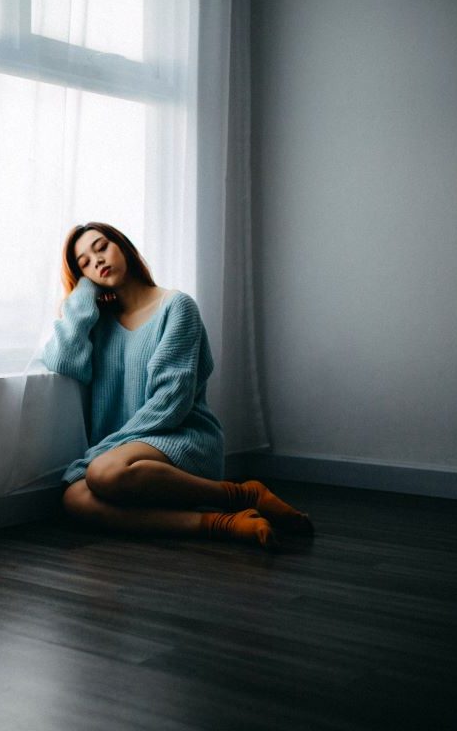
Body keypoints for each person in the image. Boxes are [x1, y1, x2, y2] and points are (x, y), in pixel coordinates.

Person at [41, 222, 313, 548]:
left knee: (101, 473)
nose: (97, 260)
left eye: (101, 247)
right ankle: (217, 523)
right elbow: (63, 360)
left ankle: (240, 493)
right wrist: (84, 292)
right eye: (84, 262)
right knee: (74, 499)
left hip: (179, 437)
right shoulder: (98, 324)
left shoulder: (176, 307)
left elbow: (172, 401)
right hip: (123, 460)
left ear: (123, 246)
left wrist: (101, 453)